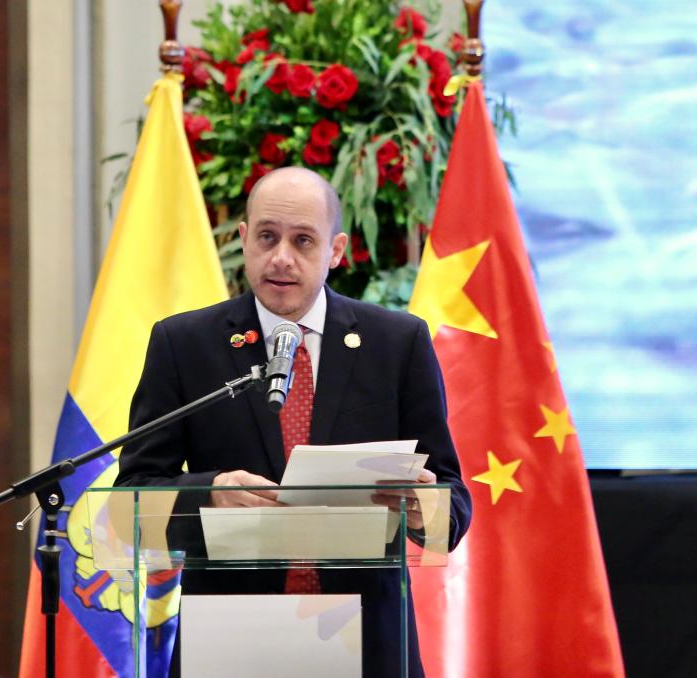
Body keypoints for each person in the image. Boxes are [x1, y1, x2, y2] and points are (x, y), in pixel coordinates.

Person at [116, 167, 471, 677]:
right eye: (267, 237)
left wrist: (422, 510)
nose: (281, 257)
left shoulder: (396, 344)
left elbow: (452, 502)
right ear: (243, 240)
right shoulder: (185, 344)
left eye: (303, 240)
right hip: (231, 637)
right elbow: (132, 501)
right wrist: (209, 492)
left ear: (336, 250)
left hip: (365, 639)